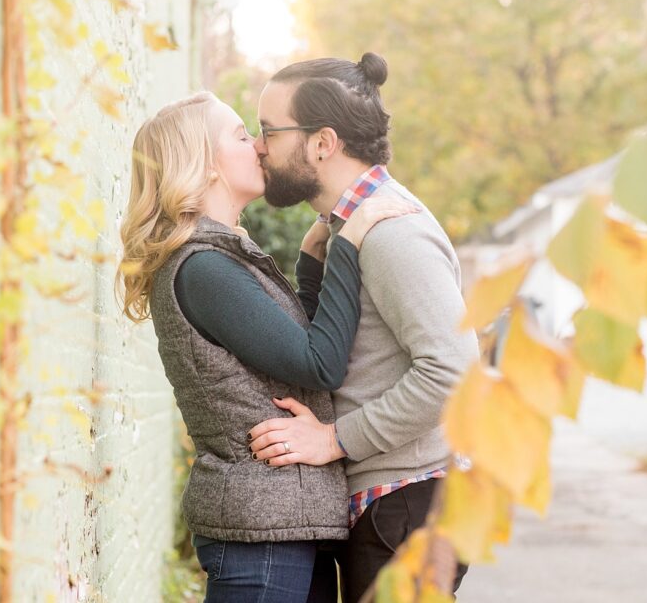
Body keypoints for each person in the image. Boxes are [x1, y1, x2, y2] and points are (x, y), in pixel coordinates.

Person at [116, 91, 417, 603]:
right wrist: (349, 243)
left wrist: (313, 262)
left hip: (284, 525)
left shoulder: (222, 255)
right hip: (260, 534)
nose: (259, 146)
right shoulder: (203, 267)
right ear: (205, 164)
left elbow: (290, 348)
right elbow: (317, 363)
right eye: (241, 135)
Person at [246, 53, 480, 600]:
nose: (259, 147)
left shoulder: (392, 231)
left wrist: (334, 438)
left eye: (267, 131)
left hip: (408, 507)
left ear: (322, 143)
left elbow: (453, 372)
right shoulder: (350, 228)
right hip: (390, 510)